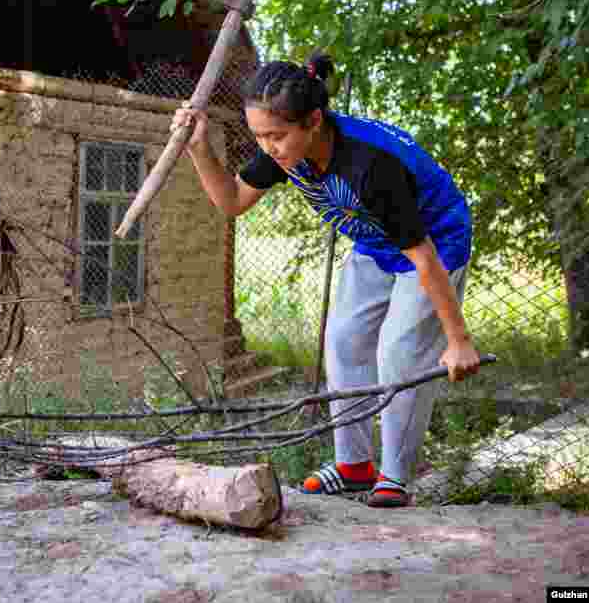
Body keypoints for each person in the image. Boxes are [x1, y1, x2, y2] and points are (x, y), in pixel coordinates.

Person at [170, 53, 481, 507]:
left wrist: (458, 340)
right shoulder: (285, 151)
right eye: (260, 136)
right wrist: (198, 149)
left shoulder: (370, 166)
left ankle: (394, 477)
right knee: (344, 342)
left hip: (434, 242)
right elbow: (232, 200)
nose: (268, 147)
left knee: (399, 353)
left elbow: (424, 257)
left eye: (276, 136)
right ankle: (354, 467)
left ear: (314, 121)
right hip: (375, 243)